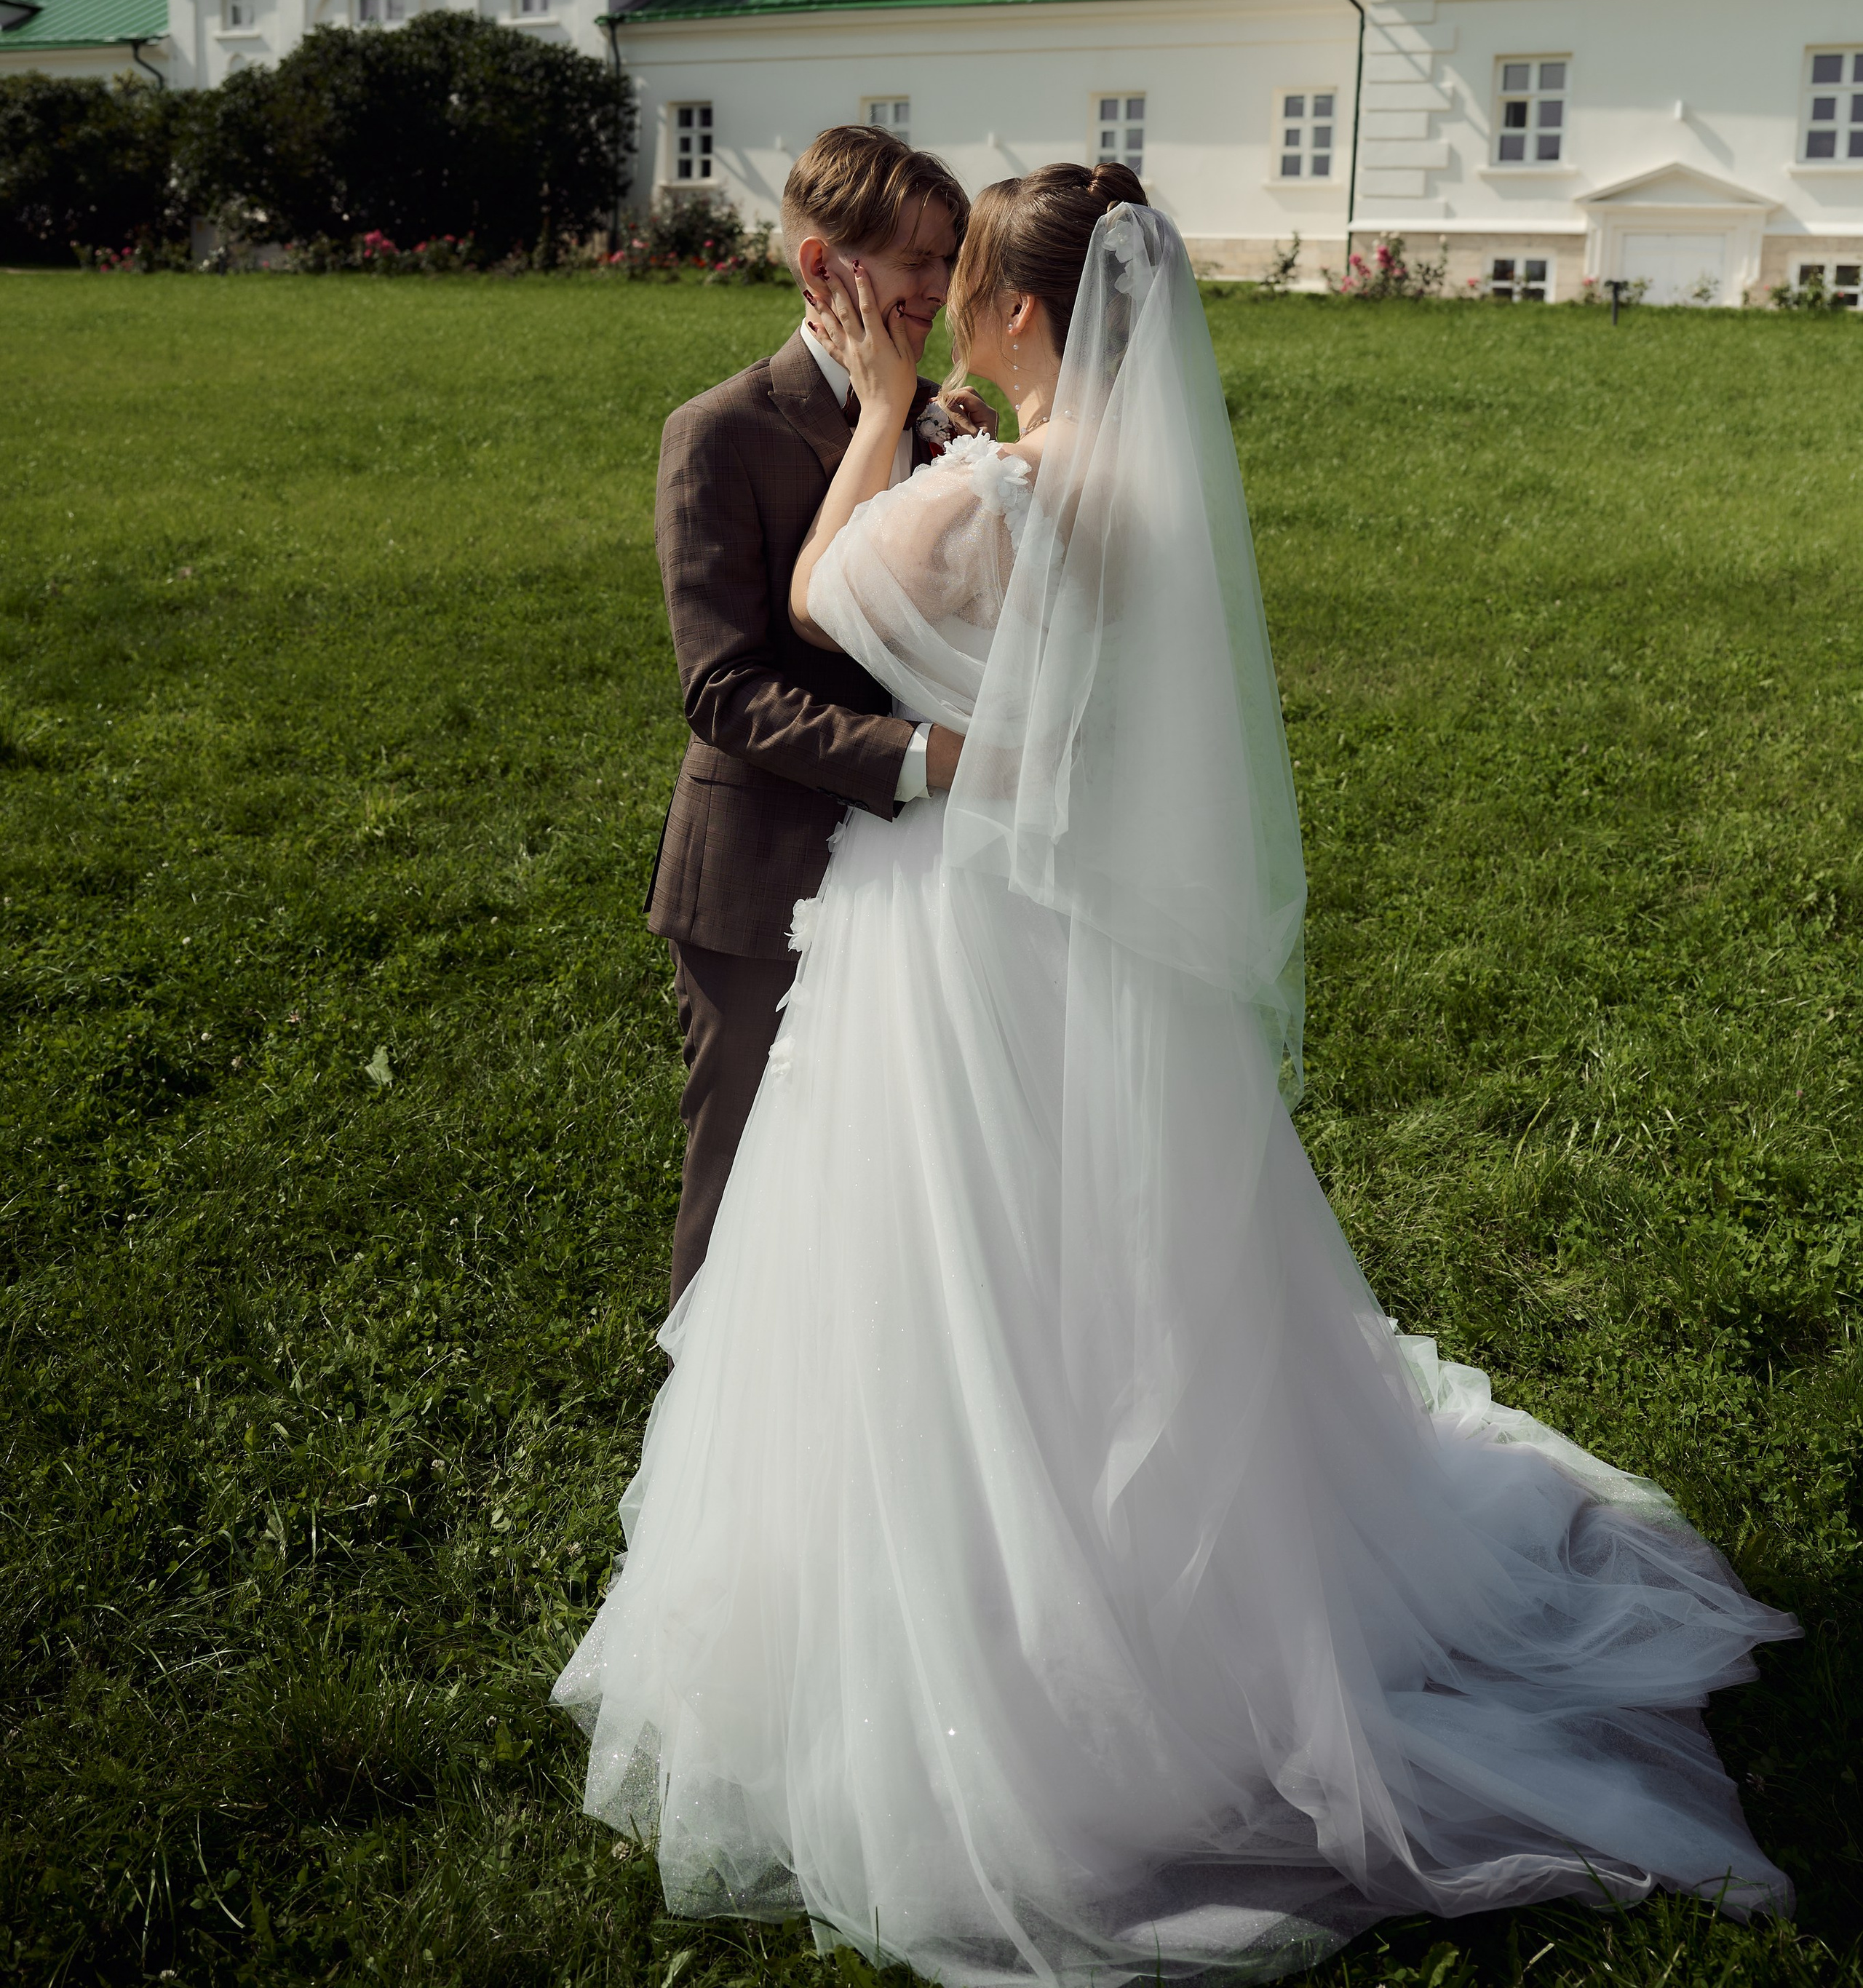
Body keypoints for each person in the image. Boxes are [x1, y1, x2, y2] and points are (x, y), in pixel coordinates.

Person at [559, 164, 1795, 1983]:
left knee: (944, 1257)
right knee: (1077, 1264)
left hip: (960, 921)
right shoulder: (1132, 490)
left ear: (1020, 314)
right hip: (1061, 930)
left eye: (962, 285)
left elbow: (821, 603)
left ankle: (979, 1617)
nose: (942, 309)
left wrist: (895, 419)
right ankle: (1113, 1559)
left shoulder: (991, 475)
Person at [646, 125, 988, 1303]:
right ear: (821, 267)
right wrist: (919, 757)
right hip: (761, 872)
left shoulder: (948, 426)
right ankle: (702, 1428)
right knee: (742, 1156)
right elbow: (723, 687)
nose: (938, 292)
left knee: (877, 1160)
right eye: (913, 263)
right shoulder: (721, 432)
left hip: (918, 884)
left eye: (949, 263)